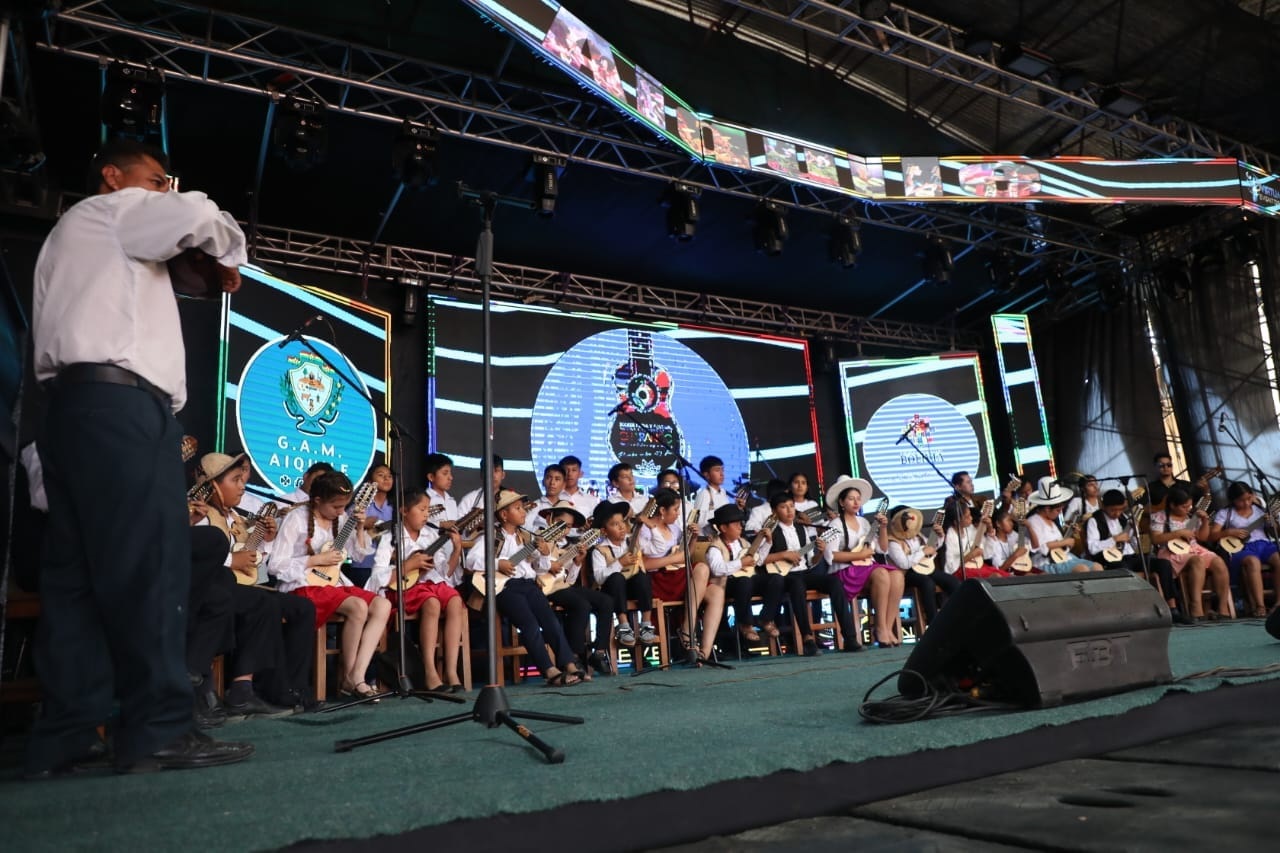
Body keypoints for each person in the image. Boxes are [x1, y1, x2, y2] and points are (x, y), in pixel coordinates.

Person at [27, 138, 253, 777]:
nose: (163, 189)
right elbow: (205, 220)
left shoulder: (65, 240)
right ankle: (156, 728)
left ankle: (66, 737)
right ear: (114, 176)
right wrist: (216, 246)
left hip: (69, 412)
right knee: (152, 568)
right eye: (156, 179)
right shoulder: (118, 210)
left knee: (74, 582)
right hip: (124, 410)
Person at [193, 453, 317, 714]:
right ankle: (244, 689)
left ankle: (293, 687)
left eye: (242, 479)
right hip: (211, 587)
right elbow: (196, 556)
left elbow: (254, 562)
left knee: (303, 608)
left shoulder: (236, 518)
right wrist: (230, 560)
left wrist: (267, 539)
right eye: (235, 480)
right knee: (264, 603)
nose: (242, 486)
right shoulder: (201, 514)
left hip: (240, 584)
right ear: (213, 485)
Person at [271, 471, 391, 698]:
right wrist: (314, 560)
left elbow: (357, 556)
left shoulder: (341, 519)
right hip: (303, 583)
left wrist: (358, 527)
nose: (341, 511)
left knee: (382, 605)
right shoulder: (296, 519)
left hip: (334, 583)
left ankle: (357, 674)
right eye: (336, 507)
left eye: (344, 506)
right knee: (358, 606)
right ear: (317, 500)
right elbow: (276, 565)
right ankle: (349, 677)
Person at [465, 489, 584, 685]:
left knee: (550, 620)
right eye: (518, 508)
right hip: (505, 588)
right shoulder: (491, 535)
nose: (523, 512)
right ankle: (550, 671)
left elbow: (541, 568)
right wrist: (497, 564)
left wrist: (545, 553)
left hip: (528, 585)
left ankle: (569, 663)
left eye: (523, 508)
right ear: (504, 515)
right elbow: (471, 561)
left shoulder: (526, 537)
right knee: (529, 625)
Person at [367, 488, 466, 693]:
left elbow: (445, 572)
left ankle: (451, 671)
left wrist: (456, 549)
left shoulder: (430, 535)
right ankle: (430, 672)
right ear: (404, 511)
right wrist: (409, 565)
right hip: (404, 587)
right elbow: (377, 576)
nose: (426, 515)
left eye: (428, 510)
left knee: (455, 600)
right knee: (432, 602)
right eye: (421, 509)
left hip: (431, 583)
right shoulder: (390, 537)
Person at [760, 491, 859, 655]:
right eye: (783, 507)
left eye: (791, 506)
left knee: (834, 582)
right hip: (784, 576)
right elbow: (759, 559)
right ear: (774, 511)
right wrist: (784, 555)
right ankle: (808, 639)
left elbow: (811, 561)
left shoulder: (802, 528)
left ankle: (849, 637)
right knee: (797, 585)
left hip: (804, 572)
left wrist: (820, 552)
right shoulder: (770, 531)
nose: (789, 510)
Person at [639, 487, 719, 660]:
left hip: (677, 575)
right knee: (702, 569)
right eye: (675, 510)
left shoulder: (675, 529)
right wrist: (674, 558)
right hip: (658, 579)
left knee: (717, 592)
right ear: (662, 510)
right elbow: (643, 563)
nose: (677, 514)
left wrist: (693, 539)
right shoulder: (646, 529)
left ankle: (703, 651)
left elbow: (685, 556)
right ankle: (688, 630)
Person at [823, 476, 899, 647]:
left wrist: (884, 527)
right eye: (851, 498)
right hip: (844, 570)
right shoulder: (834, 524)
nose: (856, 502)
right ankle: (879, 628)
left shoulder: (864, 522)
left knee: (897, 576)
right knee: (881, 573)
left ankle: (887, 627)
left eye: (858, 498)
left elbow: (882, 549)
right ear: (842, 502)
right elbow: (831, 555)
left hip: (866, 568)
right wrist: (859, 556)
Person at [543, 503, 617, 677]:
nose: (564, 530)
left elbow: (568, 579)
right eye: (560, 524)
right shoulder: (540, 540)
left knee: (606, 601)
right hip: (545, 588)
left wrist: (577, 562)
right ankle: (574, 656)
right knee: (581, 604)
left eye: (568, 527)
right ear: (550, 519)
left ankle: (598, 652)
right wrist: (548, 564)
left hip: (562, 585)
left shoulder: (568, 546)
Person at [1087, 489, 1183, 620]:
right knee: (1122, 569)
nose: (1117, 513)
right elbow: (1092, 547)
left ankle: (1173, 608)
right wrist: (1114, 539)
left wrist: (1134, 531)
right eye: (1113, 510)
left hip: (1130, 556)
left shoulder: (1123, 518)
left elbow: (1133, 545)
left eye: (1120, 509)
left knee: (1164, 564)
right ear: (1104, 507)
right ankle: (1135, 612)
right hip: (1110, 560)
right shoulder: (1094, 521)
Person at [701, 504, 782, 650]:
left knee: (775, 579)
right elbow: (718, 569)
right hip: (726, 585)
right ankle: (746, 624)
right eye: (736, 524)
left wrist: (768, 542)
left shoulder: (743, 542)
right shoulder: (714, 547)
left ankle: (766, 618)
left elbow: (758, 560)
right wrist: (740, 563)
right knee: (743, 582)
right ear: (723, 528)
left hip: (747, 581)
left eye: (741, 523)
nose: (740, 527)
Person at [1151, 487, 1232, 620]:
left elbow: (1202, 537)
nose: (1188, 509)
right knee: (1197, 561)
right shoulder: (1161, 517)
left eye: (1190, 505)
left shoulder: (1191, 517)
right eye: (1184, 506)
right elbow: (1156, 538)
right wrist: (1179, 533)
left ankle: (1223, 608)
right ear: (1172, 505)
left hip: (1194, 548)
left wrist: (1205, 521)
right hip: (1172, 552)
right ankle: (1196, 607)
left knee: (1219, 562)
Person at [588, 501, 656, 654]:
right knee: (616, 578)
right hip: (611, 591)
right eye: (614, 524)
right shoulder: (599, 550)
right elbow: (599, 578)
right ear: (604, 531)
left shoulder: (631, 542)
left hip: (632, 588)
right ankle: (624, 625)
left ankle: (646, 622)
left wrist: (648, 524)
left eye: (622, 522)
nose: (621, 527)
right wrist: (619, 563)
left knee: (642, 577)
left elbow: (655, 545)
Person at [1210, 482, 1279, 617]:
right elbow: (1212, 536)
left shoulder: (1260, 510)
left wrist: (1272, 524)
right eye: (1241, 500)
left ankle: (1278, 603)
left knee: (1278, 559)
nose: (1246, 503)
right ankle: (1260, 606)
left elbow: (1275, 533)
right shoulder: (1226, 513)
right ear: (1233, 500)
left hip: (1264, 544)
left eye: (1249, 498)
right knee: (1253, 562)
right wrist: (1229, 532)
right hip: (1241, 549)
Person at [885, 507, 957, 624]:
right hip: (907, 574)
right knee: (927, 583)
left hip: (925, 568)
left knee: (952, 581)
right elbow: (904, 563)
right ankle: (933, 622)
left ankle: (957, 616)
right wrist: (922, 552)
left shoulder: (918, 535)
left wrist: (940, 537)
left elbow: (931, 548)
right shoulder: (893, 542)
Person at [1024, 478, 1103, 574]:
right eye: (1058, 510)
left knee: (1097, 567)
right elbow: (1040, 548)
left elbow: (1062, 545)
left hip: (1064, 557)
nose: (1060, 512)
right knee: (1082, 570)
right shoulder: (1033, 521)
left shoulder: (1052, 522)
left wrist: (1071, 537)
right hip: (1046, 562)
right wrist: (1063, 542)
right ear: (1047, 509)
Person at [349, 463, 394, 589]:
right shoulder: (360, 505)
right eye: (381, 475)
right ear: (370, 480)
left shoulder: (394, 509)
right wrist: (362, 525)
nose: (386, 479)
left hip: (386, 567)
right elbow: (344, 529)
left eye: (389, 476)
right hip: (363, 565)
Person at [943, 501, 1008, 580]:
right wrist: (971, 555)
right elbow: (951, 567)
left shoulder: (970, 529)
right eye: (967, 516)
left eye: (970, 514)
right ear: (956, 522)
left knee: (1007, 577)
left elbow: (987, 553)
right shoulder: (950, 536)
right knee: (996, 577)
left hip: (977, 565)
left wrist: (990, 527)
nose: (971, 518)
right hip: (960, 571)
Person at [691, 455, 747, 536]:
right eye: (717, 470)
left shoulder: (723, 492)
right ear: (707, 474)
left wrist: (737, 509)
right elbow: (697, 521)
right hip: (710, 540)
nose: (722, 474)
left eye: (722, 470)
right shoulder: (704, 494)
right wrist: (721, 513)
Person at [983, 507, 1029, 575]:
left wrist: (1024, 525)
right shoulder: (992, 542)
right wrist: (1015, 555)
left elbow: (1028, 544)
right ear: (998, 524)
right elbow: (999, 570)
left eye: (1012, 521)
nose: (1012, 524)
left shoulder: (1013, 536)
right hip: (1002, 578)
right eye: (1008, 520)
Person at [525, 464, 565, 533]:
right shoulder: (536, 505)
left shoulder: (566, 507)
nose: (552, 482)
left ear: (564, 484)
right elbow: (525, 528)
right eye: (549, 478)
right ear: (543, 482)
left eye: (557, 479)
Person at [424, 452, 459, 522]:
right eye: (445, 473)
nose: (450, 478)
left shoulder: (451, 501)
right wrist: (441, 525)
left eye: (450, 473)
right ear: (431, 477)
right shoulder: (425, 499)